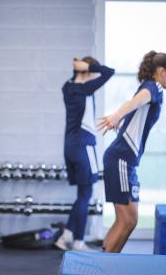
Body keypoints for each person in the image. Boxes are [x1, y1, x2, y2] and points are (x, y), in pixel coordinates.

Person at [97, 51, 166, 253]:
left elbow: (137, 109)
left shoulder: (151, 88)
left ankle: (103, 260)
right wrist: (117, 116)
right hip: (121, 159)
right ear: (161, 71)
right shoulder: (153, 87)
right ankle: (105, 265)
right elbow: (137, 101)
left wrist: (122, 120)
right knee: (127, 222)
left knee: (128, 221)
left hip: (126, 160)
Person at [55, 56, 114, 251]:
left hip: (69, 147)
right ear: (86, 71)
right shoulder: (85, 89)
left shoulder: (67, 87)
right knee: (86, 194)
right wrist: (88, 66)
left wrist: (81, 68)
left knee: (82, 195)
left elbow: (96, 74)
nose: (95, 76)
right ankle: (75, 240)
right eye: (92, 73)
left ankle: (69, 238)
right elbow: (109, 72)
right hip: (83, 146)